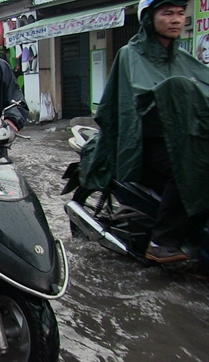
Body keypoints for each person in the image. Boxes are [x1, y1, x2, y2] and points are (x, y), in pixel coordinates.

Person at [79, 0, 209, 263]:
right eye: (167, 13)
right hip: (144, 145)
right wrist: (171, 93)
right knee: (192, 167)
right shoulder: (130, 55)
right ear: (149, 18)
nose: (176, 19)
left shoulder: (184, 59)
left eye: (181, 14)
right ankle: (162, 241)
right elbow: (132, 99)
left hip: (183, 141)